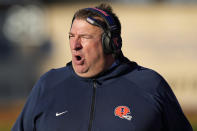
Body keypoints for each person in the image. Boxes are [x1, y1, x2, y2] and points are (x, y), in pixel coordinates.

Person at [12, 3, 193, 131]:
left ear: (111, 43)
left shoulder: (150, 85)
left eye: (85, 37)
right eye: (71, 36)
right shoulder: (48, 84)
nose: (74, 44)